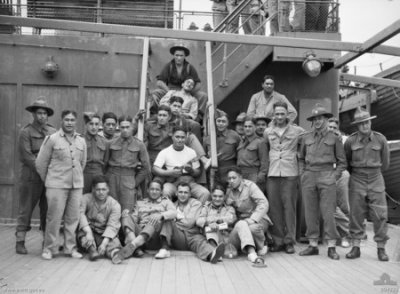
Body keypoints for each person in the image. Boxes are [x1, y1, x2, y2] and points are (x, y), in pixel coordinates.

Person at [36, 110, 87, 260]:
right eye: (67, 120)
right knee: (54, 218)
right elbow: (40, 163)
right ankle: (49, 248)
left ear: (76, 122)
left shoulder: (81, 141)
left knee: (73, 218)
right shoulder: (52, 139)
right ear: (61, 121)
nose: (69, 122)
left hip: (76, 185)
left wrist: (75, 177)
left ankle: (70, 248)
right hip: (56, 185)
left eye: (72, 120)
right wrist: (51, 181)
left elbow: (82, 163)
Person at [298, 104, 346, 260]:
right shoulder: (306, 137)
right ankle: (313, 245)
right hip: (309, 176)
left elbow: (342, 162)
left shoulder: (335, 138)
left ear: (326, 119)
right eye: (315, 119)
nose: (317, 121)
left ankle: (331, 246)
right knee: (310, 212)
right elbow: (300, 158)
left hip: (327, 175)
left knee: (328, 212)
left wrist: (334, 177)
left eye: (320, 118)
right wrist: (303, 173)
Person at [344, 108, 390, 261]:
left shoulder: (380, 139)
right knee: (356, 214)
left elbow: (386, 164)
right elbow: (348, 163)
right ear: (357, 125)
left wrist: (373, 173)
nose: (365, 125)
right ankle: (355, 247)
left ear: (370, 122)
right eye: (362, 123)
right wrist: (358, 174)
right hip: (357, 178)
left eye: (367, 122)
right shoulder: (351, 141)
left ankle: (381, 249)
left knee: (380, 214)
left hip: (376, 177)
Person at [15, 98, 56, 255]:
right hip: (31, 176)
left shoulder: (53, 132)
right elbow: (27, 157)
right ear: (33, 114)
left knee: (47, 210)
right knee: (25, 209)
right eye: (39, 113)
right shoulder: (25, 132)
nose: (42, 116)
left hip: (49, 178)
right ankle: (20, 241)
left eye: (44, 113)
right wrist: (43, 169)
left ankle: (46, 242)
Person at [264, 101, 304, 254]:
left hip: (290, 172)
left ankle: (289, 241)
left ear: (287, 114)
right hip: (273, 172)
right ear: (273, 115)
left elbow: (305, 146)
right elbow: (266, 148)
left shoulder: (298, 131)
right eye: (277, 114)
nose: (279, 116)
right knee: (275, 208)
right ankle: (278, 240)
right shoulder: (268, 132)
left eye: (282, 113)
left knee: (289, 207)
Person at [156, 183, 225, 263]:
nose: (183, 195)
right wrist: (177, 221)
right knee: (168, 219)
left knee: (200, 242)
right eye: (180, 192)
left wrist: (176, 220)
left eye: (185, 192)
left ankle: (211, 255)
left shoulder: (196, 203)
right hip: (178, 237)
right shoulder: (172, 206)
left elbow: (189, 222)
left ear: (190, 194)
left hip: (193, 235)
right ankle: (164, 249)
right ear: (176, 193)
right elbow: (185, 222)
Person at [113, 180, 177, 263]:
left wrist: (161, 215)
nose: (154, 192)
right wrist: (127, 215)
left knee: (156, 219)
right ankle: (134, 245)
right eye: (152, 189)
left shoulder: (166, 202)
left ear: (161, 191)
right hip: (140, 233)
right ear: (147, 190)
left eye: (157, 190)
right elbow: (134, 219)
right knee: (126, 215)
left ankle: (133, 245)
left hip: (155, 238)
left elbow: (174, 213)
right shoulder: (140, 203)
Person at [104, 115, 151, 227]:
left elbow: (146, 168)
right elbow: (104, 164)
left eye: (127, 127)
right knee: (111, 208)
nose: (125, 130)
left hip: (129, 178)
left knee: (127, 210)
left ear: (132, 127)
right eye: (122, 127)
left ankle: (127, 237)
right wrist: (106, 179)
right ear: (118, 128)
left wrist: (135, 182)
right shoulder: (111, 143)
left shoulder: (139, 144)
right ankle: (111, 237)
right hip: (112, 178)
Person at [153, 125, 210, 204]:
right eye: (177, 137)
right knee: (165, 191)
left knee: (205, 193)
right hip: (173, 182)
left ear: (186, 137)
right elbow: (155, 168)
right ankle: (170, 213)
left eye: (182, 137)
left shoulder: (191, 152)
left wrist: (191, 170)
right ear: (172, 137)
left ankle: (196, 213)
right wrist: (169, 173)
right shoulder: (165, 152)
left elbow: (197, 172)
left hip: (189, 182)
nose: (180, 140)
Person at [225, 167, 270, 264]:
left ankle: (261, 243)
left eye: (234, 178)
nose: (231, 181)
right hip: (241, 221)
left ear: (240, 177)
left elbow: (264, 203)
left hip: (258, 219)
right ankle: (255, 250)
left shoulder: (250, 186)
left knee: (252, 228)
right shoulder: (229, 191)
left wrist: (253, 219)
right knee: (242, 226)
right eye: (229, 178)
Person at [152, 44, 207, 117]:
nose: (179, 58)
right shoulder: (169, 66)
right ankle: (157, 114)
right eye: (177, 55)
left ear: (184, 56)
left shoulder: (189, 67)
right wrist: (169, 92)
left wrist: (189, 92)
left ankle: (199, 117)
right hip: (170, 90)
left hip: (186, 90)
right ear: (174, 56)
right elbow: (159, 82)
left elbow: (198, 84)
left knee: (203, 96)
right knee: (156, 93)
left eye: (181, 56)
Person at [78, 175, 122, 263]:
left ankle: (115, 254)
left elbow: (112, 226)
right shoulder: (85, 198)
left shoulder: (114, 204)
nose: (101, 192)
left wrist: (104, 243)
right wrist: (88, 232)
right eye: (98, 190)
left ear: (108, 189)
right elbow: (80, 214)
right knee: (83, 237)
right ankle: (92, 250)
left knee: (114, 243)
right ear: (93, 189)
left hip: (104, 232)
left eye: (104, 189)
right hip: (89, 229)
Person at [327, 117, 351, 248]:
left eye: (334, 127)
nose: (331, 130)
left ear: (338, 129)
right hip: (327, 174)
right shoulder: (323, 140)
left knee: (344, 205)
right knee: (331, 205)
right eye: (329, 127)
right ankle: (351, 229)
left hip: (341, 174)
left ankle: (345, 236)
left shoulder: (345, 140)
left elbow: (348, 159)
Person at [204, 110, 241, 186]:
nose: (221, 124)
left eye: (223, 121)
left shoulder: (234, 136)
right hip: (213, 171)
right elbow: (204, 156)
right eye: (218, 121)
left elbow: (240, 154)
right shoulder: (208, 138)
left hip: (230, 169)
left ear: (227, 123)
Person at [237, 116, 268, 187]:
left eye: (250, 126)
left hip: (254, 174)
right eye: (245, 126)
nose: (247, 129)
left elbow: (264, 161)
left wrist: (261, 176)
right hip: (241, 174)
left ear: (255, 127)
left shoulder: (260, 142)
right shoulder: (241, 142)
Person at [83, 112, 107, 194]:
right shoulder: (80, 140)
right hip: (84, 174)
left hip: (99, 174)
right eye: (91, 124)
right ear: (86, 125)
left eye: (96, 124)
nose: (94, 127)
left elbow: (106, 162)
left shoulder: (104, 141)